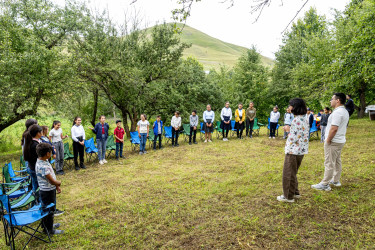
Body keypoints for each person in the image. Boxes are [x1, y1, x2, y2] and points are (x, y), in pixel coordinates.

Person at [311, 93, 349, 191]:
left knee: (329, 162)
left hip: (333, 141)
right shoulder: (344, 111)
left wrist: (327, 140)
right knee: (337, 160)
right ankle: (335, 180)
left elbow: (334, 128)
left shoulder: (337, 112)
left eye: (332, 99)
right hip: (340, 140)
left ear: (338, 100)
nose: (330, 101)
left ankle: (325, 184)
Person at [277, 98, 309, 203]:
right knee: (293, 172)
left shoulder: (296, 120)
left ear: (295, 107)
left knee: (288, 173)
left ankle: (288, 196)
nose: (289, 107)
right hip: (301, 150)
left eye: (290, 105)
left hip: (293, 151)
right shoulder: (304, 118)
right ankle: (295, 192)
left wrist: (287, 130)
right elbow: (300, 133)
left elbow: (293, 138)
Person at [35, 143, 64, 235]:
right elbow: (51, 181)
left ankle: (47, 226)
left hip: (47, 189)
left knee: (46, 209)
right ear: (48, 153)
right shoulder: (43, 166)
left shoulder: (42, 161)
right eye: (51, 152)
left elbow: (52, 177)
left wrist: (57, 187)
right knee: (49, 210)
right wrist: (58, 183)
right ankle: (50, 230)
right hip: (47, 191)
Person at [23, 124, 42, 195]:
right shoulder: (35, 145)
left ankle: (35, 200)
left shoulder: (31, 142)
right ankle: (37, 201)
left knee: (35, 184)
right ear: (38, 133)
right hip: (35, 168)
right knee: (37, 186)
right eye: (41, 131)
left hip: (32, 167)